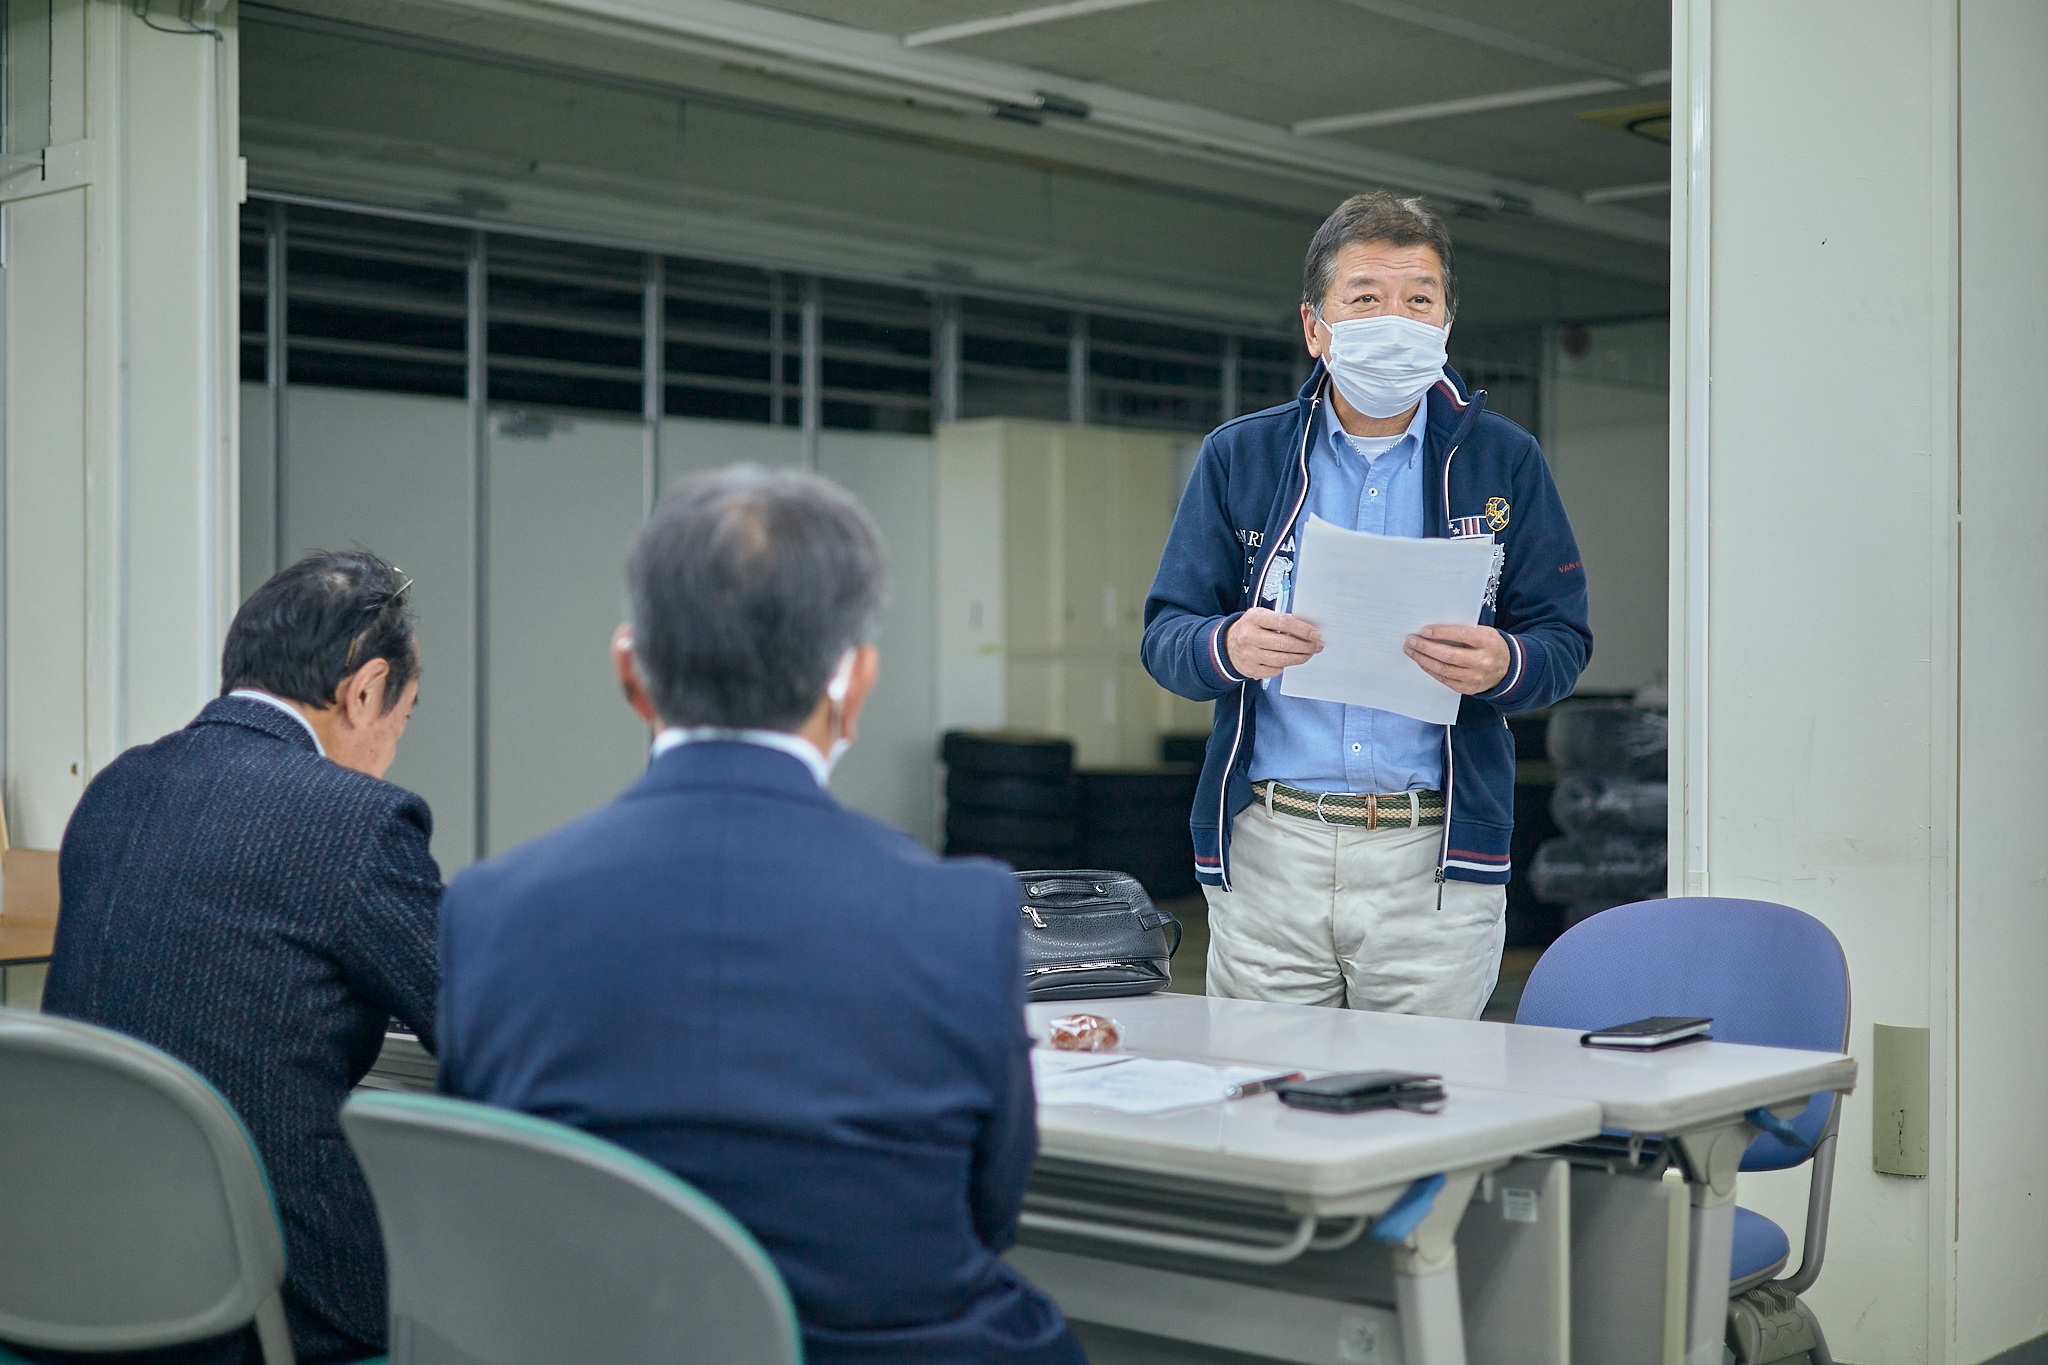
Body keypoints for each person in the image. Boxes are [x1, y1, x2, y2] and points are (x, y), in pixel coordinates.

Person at [435, 466, 1082, 1365]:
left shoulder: (487, 911)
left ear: (631, 672)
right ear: (853, 683)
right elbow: (992, 1212)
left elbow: (493, 1205)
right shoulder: (962, 912)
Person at [1142, 191, 1592, 1019]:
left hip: (1433, 860)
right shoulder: (1241, 456)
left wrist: (1505, 662)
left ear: (1447, 324)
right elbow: (1166, 634)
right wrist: (1229, 646)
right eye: (1366, 298)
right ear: (1316, 326)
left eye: (1420, 299)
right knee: (1261, 1109)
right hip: (1275, 847)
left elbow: (1562, 638)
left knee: (1424, 1118)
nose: (1396, 319)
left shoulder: (1504, 461)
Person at [27, 551, 440, 1365]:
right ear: (365, 690)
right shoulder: (359, 821)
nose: (394, 747)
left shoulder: (116, 789)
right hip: (265, 1298)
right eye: (406, 716)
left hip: (67, 1276)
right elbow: (481, 1020)